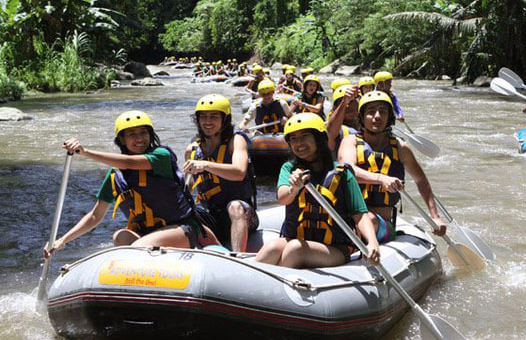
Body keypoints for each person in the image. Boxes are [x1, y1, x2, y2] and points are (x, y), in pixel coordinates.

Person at [43, 111, 220, 259]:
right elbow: (95, 216)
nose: (139, 138)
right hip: (147, 233)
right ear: (122, 140)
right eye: (132, 134)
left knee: (138, 249)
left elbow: (129, 162)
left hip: (180, 229)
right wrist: (62, 241)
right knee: (120, 236)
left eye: (143, 132)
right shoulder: (115, 175)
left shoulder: (161, 155)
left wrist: (86, 152)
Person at [254, 113, 380, 268]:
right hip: (296, 238)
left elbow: (359, 214)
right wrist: (294, 189)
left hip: (335, 248)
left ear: (319, 139)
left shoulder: (342, 173)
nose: (298, 143)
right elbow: (283, 198)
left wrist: (372, 243)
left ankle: (275, 288)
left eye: (304, 136)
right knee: (272, 248)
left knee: (295, 249)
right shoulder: (289, 169)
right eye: (293, 138)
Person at [339, 91, 447, 243]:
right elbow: (347, 171)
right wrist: (381, 178)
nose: (377, 116)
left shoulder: (400, 148)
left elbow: (421, 180)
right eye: (371, 112)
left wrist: (435, 217)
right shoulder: (351, 142)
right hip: (350, 219)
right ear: (362, 117)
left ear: (389, 117)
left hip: (382, 224)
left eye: (382, 112)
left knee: (368, 218)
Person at [183, 95, 259, 252]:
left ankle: (238, 257)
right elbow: (188, 189)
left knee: (235, 206)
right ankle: (220, 251)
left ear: (224, 119)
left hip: (242, 213)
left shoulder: (236, 140)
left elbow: (239, 172)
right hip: (212, 215)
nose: (207, 121)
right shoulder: (192, 150)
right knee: (186, 214)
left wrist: (206, 165)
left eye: (213, 116)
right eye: (203, 117)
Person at [326, 84, 360, 158]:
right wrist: (343, 104)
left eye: (351, 101)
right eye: (341, 102)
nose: (348, 105)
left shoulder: (365, 123)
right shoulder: (336, 128)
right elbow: (330, 132)